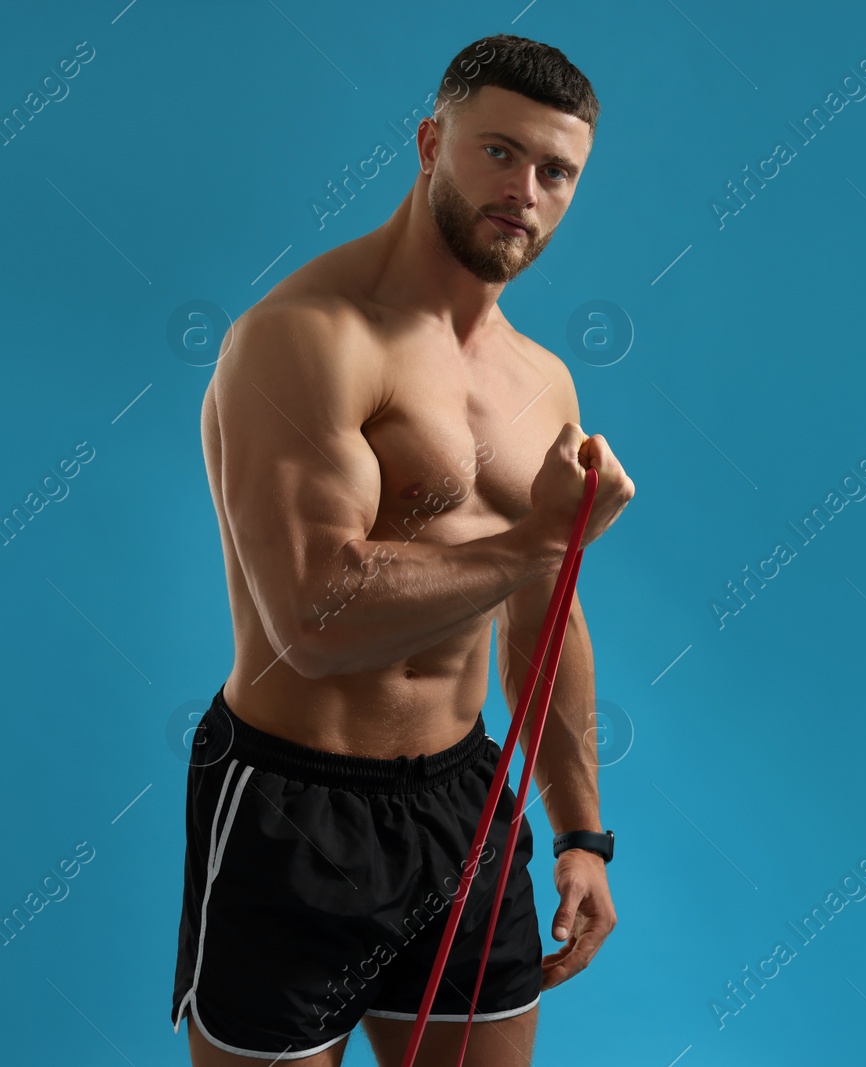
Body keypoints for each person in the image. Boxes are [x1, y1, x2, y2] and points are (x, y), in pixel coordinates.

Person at [169, 34, 634, 1066]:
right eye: (498, 153)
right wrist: (539, 540)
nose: (526, 190)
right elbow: (313, 617)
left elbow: (545, 614)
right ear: (430, 141)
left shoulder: (540, 381)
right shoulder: (306, 337)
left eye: (556, 171)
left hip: (462, 805)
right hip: (295, 806)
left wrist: (581, 833)